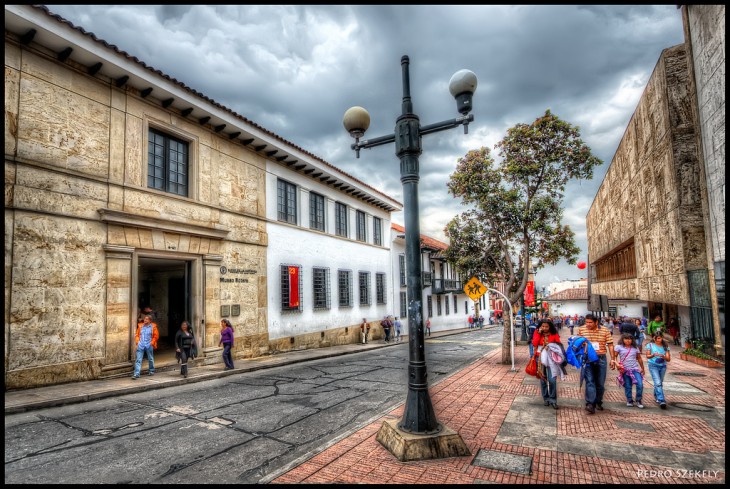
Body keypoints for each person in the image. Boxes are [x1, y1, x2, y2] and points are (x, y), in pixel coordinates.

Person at [577, 313, 616, 414]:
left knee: (600, 383)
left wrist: (613, 359)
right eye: (586, 322)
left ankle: (598, 401)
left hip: (600, 358)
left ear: (596, 322)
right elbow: (579, 342)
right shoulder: (581, 329)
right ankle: (590, 403)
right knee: (590, 381)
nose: (588, 324)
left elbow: (610, 344)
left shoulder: (605, 330)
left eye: (590, 322)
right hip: (588, 359)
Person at [532, 319, 565, 409]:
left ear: (550, 326)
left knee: (552, 380)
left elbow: (559, 345)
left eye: (546, 326)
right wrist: (538, 333)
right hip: (540, 358)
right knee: (543, 379)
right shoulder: (537, 332)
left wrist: (550, 347)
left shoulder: (554, 334)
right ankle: (546, 398)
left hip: (552, 359)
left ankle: (553, 399)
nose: (545, 328)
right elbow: (534, 343)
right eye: (543, 326)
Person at [614, 333, 645, 408]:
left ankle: (638, 399)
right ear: (623, 339)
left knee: (640, 384)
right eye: (626, 339)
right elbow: (614, 356)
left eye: (630, 339)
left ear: (632, 340)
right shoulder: (618, 347)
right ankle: (629, 400)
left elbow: (639, 358)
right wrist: (617, 364)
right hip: (624, 370)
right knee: (628, 385)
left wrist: (642, 368)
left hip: (635, 369)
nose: (628, 341)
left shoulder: (635, 348)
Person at [646, 331, 671, 409]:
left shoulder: (665, 346)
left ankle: (657, 395)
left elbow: (668, 359)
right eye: (656, 338)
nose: (657, 339)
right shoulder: (650, 345)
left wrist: (663, 356)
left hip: (662, 366)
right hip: (653, 365)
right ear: (653, 338)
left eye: (659, 338)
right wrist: (653, 355)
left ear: (662, 338)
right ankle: (661, 400)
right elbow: (648, 356)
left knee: (659, 382)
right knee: (658, 382)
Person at [132, 315, 159, 379]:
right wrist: (137, 342)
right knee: (138, 359)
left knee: (150, 359)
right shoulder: (140, 326)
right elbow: (137, 335)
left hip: (149, 345)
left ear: (150, 320)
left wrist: (152, 343)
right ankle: (136, 374)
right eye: (145, 319)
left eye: (147, 319)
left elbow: (156, 336)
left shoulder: (153, 327)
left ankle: (151, 370)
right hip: (141, 345)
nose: (145, 320)